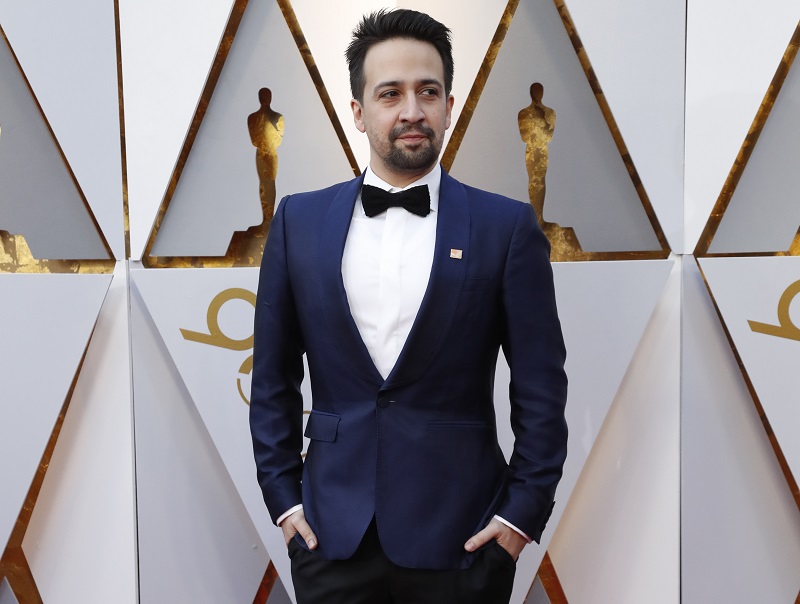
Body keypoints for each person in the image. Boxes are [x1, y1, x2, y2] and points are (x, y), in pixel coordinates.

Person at [250, 9, 567, 603]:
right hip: (329, 541)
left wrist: (519, 519)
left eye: (429, 91)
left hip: (465, 544)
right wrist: (285, 502)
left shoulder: (505, 227)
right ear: (359, 111)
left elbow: (542, 392)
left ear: (449, 103)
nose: (411, 111)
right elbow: (271, 380)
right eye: (389, 93)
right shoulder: (297, 221)